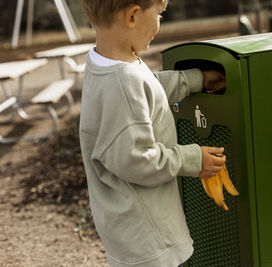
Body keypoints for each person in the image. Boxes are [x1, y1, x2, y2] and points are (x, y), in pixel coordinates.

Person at [78, 0, 226, 266]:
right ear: (133, 16)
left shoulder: (105, 63)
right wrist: (193, 159)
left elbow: (149, 90)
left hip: (129, 227)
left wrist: (194, 80)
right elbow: (137, 160)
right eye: (159, 14)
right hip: (147, 236)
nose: (160, 23)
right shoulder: (123, 81)